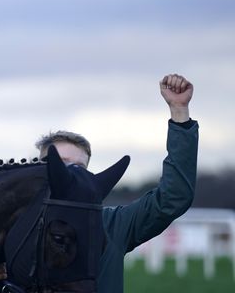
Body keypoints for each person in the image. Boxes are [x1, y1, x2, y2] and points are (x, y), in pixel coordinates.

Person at [35, 73, 197, 292]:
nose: (71, 173)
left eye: (79, 167)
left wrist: (179, 112)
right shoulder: (9, 225)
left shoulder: (111, 225)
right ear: (38, 168)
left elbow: (172, 198)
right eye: (60, 163)